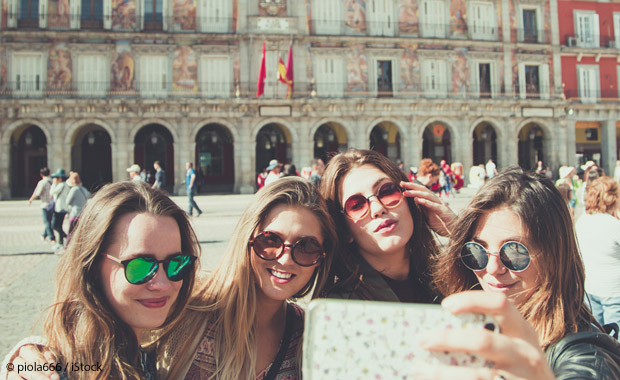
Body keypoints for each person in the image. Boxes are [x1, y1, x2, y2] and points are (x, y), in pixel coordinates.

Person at [424, 167, 620, 380]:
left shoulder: (585, 354)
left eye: (514, 252)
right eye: (477, 251)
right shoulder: (476, 322)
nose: (492, 268)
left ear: (553, 256)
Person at [1, 181, 200, 380]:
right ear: (93, 265)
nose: (163, 283)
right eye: (140, 266)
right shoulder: (57, 370)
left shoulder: (146, 358)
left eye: (176, 264)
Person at [154, 177, 337, 379]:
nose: (285, 260)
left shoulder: (310, 337)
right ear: (247, 239)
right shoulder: (184, 311)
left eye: (306, 247)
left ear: (321, 258)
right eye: (270, 240)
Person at [318, 149, 454, 303]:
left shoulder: (452, 276)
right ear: (344, 230)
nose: (378, 209)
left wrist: (457, 231)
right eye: (356, 205)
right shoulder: (340, 307)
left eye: (387, 192)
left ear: (410, 198)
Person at [575, 176, 620, 328]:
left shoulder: (583, 220)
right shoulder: (613, 225)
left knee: (598, 334)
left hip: (590, 287)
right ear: (612, 198)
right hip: (614, 290)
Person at [28, 167, 55, 244]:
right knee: (50, 221)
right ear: (49, 173)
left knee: (47, 221)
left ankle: (51, 237)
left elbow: (37, 193)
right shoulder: (54, 181)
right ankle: (44, 235)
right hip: (53, 204)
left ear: (41, 174)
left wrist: (30, 200)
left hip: (45, 204)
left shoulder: (42, 182)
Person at [65, 171, 91, 240]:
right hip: (83, 214)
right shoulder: (84, 189)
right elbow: (89, 197)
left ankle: (68, 248)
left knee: (71, 233)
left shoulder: (74, 190)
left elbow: (67, 201)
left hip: (75, 214)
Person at [50, 169, 70, 249]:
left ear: (60, 178)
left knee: (55, 225)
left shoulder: (61, 185)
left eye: (57, 177)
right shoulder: (66, 185)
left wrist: (54, 184)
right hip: (62, 207)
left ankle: (64, 236)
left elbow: (52, 192)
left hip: (59, 208)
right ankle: (60, 242)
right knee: (59, 225)